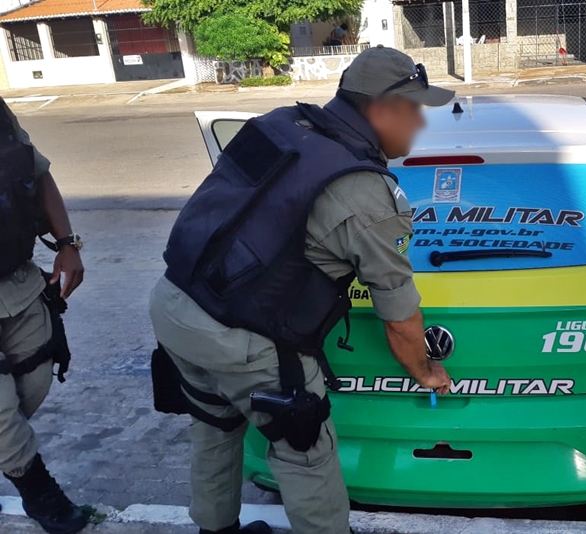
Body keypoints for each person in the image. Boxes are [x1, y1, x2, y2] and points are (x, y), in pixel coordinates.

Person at [149, 46, 455, 534]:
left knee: (214, 425)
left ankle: (215, 529)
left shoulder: (281, 124)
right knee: (305, 452)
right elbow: (399, 318)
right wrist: (425, 370)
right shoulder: (364, 193)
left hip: (175, 306)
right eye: (415, 108)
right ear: (381, 108)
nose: (420, 122)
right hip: (243, 340)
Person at [0, 97, 87, 534]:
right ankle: (41, 494)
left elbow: (36, 171)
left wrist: (67, 243)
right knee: (1, 413)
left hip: (18, 284)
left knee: (32, 385)